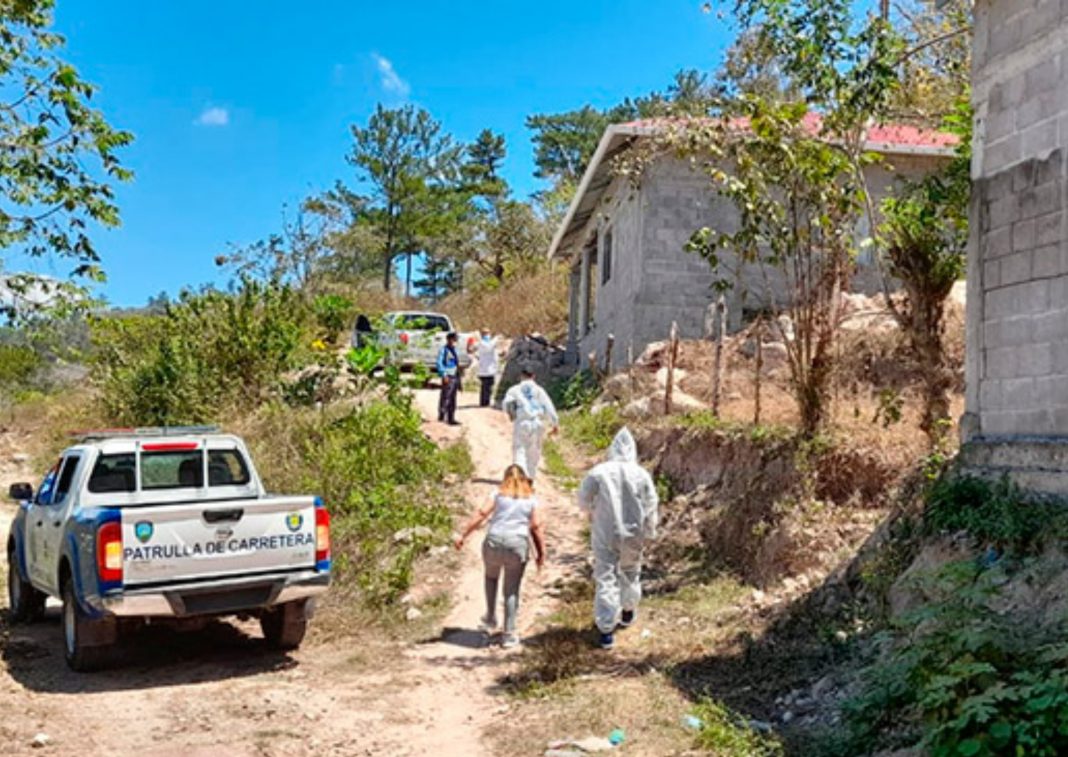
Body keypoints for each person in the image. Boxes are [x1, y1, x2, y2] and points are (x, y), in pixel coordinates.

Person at [577, 427, 659, 650]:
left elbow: (583, 500)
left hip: (605, 530)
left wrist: (593, 511)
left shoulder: (598, 472)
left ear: (612, 449)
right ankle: (628, 611)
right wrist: (650, 531)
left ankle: (606, 631)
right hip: (634, 532)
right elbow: (651, 505)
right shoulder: (641, 474)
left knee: (606, 576)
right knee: (631, 571)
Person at [455, 464, 546, 648]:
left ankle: (490, 617)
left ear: (505, 479)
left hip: (493, 541)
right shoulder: (531, 499)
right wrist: (541, 553)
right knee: (511, 589)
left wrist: (463, 535)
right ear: (524, 480)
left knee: (491, 577)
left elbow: (481, 514)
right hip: (516, 544)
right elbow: (535, 527)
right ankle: (509, 633)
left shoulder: (496, 494)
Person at [502, 367, 559, 480]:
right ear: (533, 376)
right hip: (537, 423)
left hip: (522, 422)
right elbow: (549, 407)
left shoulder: (514, 390)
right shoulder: (539, 390)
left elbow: (507, 404)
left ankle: (519, 477)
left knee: (519, 450)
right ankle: (530, 478)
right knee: (534, 453)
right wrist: (555, 423)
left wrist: (511, 414)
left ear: (521, 376)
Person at [469, 327, 499, 408]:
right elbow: (488, 346)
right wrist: (497, 338)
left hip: (490, 368)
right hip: (485, 369)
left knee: (488, 386)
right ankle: (484, 402)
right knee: (485, 386)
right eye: (485, 333)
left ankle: (486, 401)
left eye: (488, 333)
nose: (487, 335)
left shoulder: (486, 343)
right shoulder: (483, 343)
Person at [437, 332, 461, 426]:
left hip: (454, 375)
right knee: (446, 396)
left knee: (453, 398)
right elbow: (440, 363)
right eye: (453, 339)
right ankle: (442, 416)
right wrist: (444, 374)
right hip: (448, 375)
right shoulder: (444, 350)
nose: (455, 342)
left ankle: (451, 417)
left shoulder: (453, 350)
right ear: (449, 339)